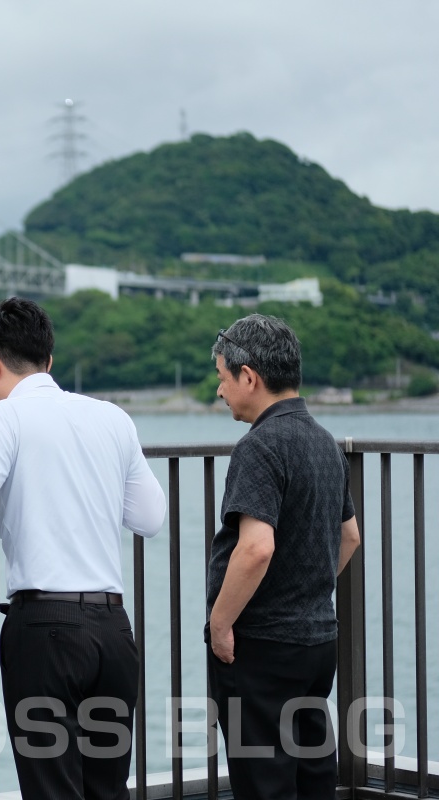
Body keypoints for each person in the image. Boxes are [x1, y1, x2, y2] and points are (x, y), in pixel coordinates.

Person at [0, 297, 166, 800]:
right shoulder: (111, 418)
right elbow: (149, 517)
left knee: (52, 789)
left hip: (44, 631)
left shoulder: (3, 419)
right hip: (113, 631)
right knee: (107, 790)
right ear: (49, 360)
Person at [206, 314, 361, 799]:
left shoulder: (260, 446)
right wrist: (305, 589)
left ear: (249, 376)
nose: (220, 391)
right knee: (313, 777)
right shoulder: (325, 444)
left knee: (264, 784)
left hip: (263, 647)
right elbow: (350, 537)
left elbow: (256, 547)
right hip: (316, 642)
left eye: (222, 378)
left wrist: (221, 623)